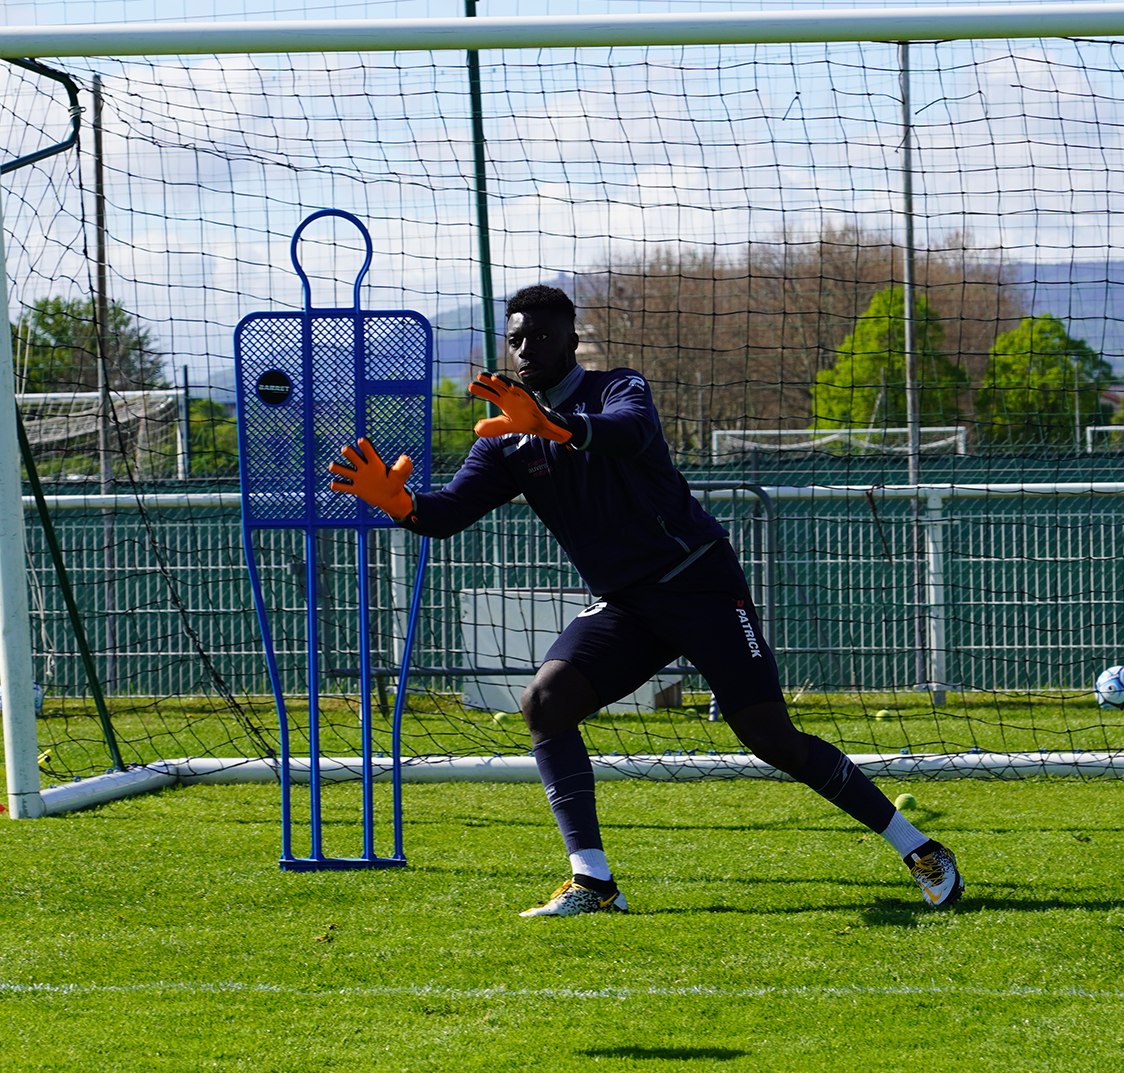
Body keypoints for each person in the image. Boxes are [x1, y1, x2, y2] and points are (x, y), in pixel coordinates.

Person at [328, 283, 963, 916]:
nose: (525, 350)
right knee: (546, 702)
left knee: (770, 737)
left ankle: (919, 848)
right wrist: (400, 504)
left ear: (572, 340)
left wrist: (554, 425)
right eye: (516, 338)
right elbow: (448, 513)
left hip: (699, 582)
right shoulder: (503, 437)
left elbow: (626, 435)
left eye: (540, 337)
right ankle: (594, 884)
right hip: (627, 604)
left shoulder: (618, 388)